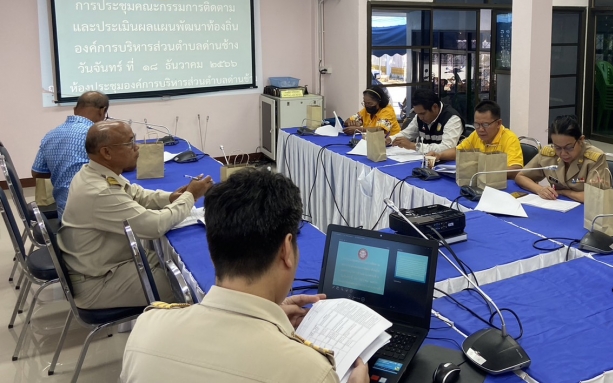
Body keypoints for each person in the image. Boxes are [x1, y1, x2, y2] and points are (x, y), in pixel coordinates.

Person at [120, 168, 369, 383]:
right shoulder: (312, 371)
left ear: (213, 248)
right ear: (286, 250)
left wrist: (270, 316)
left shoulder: (147, 328)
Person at [58, 121, 212, 309]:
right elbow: (154, 226)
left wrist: (171, 197)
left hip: (108, 263)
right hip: (98, 282)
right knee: (189, 290)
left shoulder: (94, 171)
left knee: (175, 265)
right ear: (106, 152)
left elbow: (136, 194)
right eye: (129, 143)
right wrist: (191, 196)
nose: (136, 147)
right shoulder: (100, 191)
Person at [31, 90, 109, 218]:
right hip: (92, 213)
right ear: (102, 111)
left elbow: (36, 172)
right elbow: (114, 167)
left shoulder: (51, 134)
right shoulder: (96, 136)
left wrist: (61, 169)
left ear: (75, 110)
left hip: (64, 212)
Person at [515, 115, 609, 203]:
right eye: (558, 147)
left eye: (569, 147)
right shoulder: (549, 154)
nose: (563, 153)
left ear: (581, 140)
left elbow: (594, 197)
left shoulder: (595, 159)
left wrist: (563, 192)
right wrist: (540, 189)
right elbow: (521, 176)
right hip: (557, 205)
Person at [431, 100, 523, 177]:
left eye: (486, 125)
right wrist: (439, 155)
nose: (481, 129)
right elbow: (458, 151)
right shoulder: (476, 134)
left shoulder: (510, 138)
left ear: (498, 123)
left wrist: (487, 171)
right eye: (477, 124)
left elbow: (516, 169)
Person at [389, 88, 464, 154]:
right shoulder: (419, 116)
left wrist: (414, 146)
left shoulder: (452, 118)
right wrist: (390, 139)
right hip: (425, 160)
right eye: (417, 114)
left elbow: (447, 148)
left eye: (423, 114)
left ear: (435, 107)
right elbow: (407, 133)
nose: (420, 118)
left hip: (448, 163)